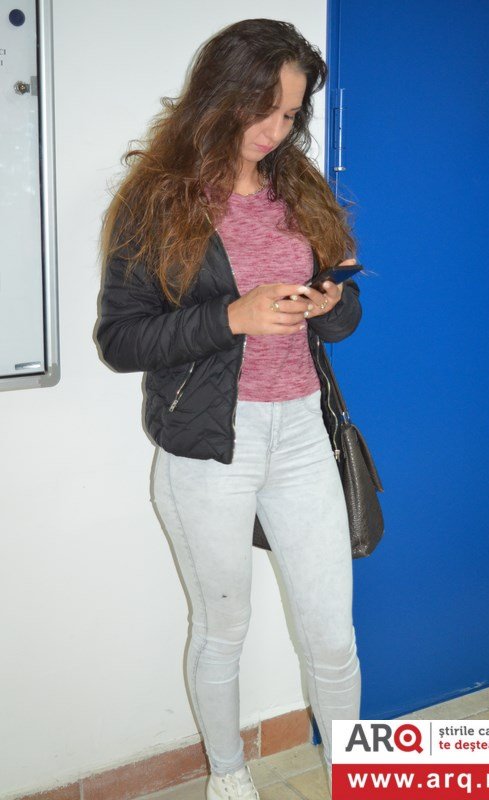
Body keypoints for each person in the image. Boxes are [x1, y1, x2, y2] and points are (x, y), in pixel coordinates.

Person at [96, 18, 363, 800]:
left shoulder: (299, 188)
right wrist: (231, 318)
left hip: (302, 431)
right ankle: (229, 775)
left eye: (290, 114)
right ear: (220, 95)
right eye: (262, 109)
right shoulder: (157, 200)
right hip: (212, 442)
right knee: (223, 630)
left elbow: (344, 312)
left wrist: (332, 305)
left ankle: (355, 776)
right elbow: (120, 338)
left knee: (333, 636)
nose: (275, 131)